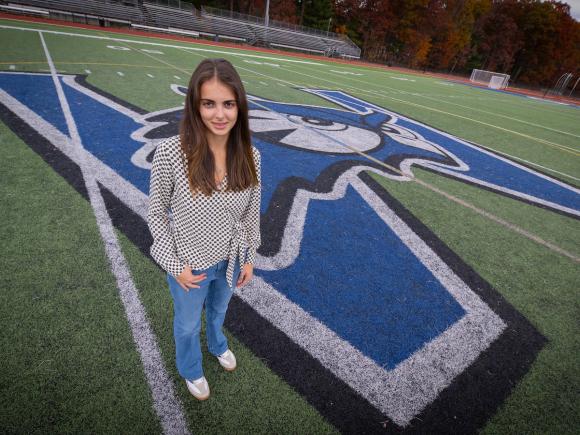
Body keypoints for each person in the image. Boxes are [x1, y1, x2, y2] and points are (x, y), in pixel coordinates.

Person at [147, 58, 261, 401]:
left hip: (230, 260)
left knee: (218, 312)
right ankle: (190, 369)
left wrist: (249, 257)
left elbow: (252, 213)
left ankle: (217, 344)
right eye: (209, 104)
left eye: (228, 104)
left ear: (239, 106)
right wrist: (174, 264)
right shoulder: (170, 152)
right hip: (189, 265)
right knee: (185, 324)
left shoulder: (251, 155)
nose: (220, 114)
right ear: (195, 106)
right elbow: (156, 213)